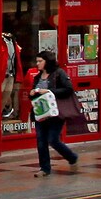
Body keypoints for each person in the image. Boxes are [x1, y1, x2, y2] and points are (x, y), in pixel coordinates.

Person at [30, 49, 82, 177]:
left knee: (53, 139)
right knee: (41, 141)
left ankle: (72, 157)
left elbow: (68, 89)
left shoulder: (59, 74)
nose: (37, 63)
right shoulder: (37, 77)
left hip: (56, 112)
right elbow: (35, 95)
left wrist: (49, 92)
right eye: (37, 61)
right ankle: (44, 168)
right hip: (41, 113)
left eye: (40, 61)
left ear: (47, 61)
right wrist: (33, 93)